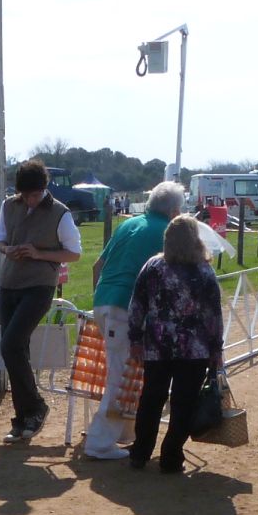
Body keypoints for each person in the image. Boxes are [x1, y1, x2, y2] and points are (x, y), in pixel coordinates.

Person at [80, 180, 183, 460]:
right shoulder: (167, 232)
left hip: (104, 301)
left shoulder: (127, 224)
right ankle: (99, 442)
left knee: (127, 373)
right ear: (174, 210)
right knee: (120, 376)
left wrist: (102, 298)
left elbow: (97, 266)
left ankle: (124, 432)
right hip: (126, 308)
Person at [125, 214, 224, 475]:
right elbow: (213, 315)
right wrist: (216, 348)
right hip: (194, 349)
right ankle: (171, 456)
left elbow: (137, 305)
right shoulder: (204, 271)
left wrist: (134, 338)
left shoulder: (153, 267)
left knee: (151, 399)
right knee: (184, 403)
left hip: (157, 345)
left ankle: (140, 452)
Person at [0, 160, 82, 443]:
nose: (29, 200)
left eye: (33, 195)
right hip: (9, 284)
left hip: (39, 286)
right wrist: (7, 250)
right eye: (24, 194)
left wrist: (39, 254)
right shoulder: (9, 205)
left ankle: (35, 408)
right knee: (15, 350)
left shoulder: (60, 214)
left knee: (10, 345)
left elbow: (74, 253)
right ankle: (24, 418)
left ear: (44, 188)